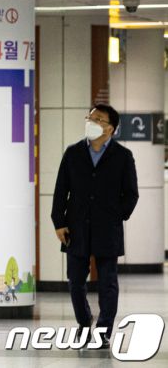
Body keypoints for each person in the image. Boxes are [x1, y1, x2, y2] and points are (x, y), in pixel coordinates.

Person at [51, 104, 139, 350]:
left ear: (110, 129)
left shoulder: (123, 156)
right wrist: (59, 222)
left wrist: (116, 216)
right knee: (75, 281)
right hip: (76, 228)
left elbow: (131, 194)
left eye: (98, 119)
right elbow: (60, 191)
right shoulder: (73, 153)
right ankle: (83, 321)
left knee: (107, 283)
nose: (91, 122)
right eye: (90, 117)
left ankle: (103, 331)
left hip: (107, 229)